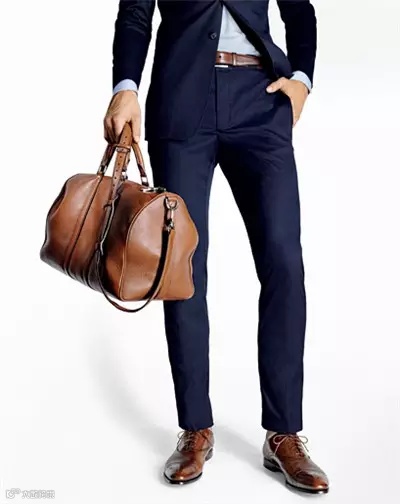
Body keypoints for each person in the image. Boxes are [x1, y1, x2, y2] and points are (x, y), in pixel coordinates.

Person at [104, 0, 329, 494]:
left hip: (260, 100)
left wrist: (302, 81)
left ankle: (285, 432)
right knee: (183, 270)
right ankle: (195, 428)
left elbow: (300, 11)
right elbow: (135, 14)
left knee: (284, 262)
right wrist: (125, 88)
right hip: (182, 100)